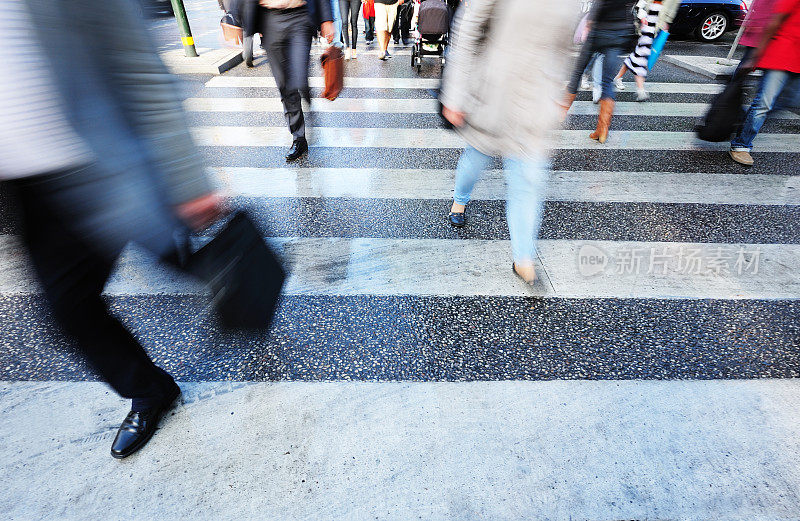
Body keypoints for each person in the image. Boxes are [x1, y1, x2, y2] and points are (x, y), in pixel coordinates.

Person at [3, 0, 225, 459]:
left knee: (179, 256)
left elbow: (138, 65)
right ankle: (150, 390)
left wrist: (188, 179)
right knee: (69, 310)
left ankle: (242, 279)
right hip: (27, 185)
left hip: (104, 163)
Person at [441, 0, 576, 285]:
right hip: (492, 93)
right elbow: (466, 29)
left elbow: (565, 46)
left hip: (535, 99)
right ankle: (459, 201)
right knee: (476, 158)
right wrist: (454, 93)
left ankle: (523, 257)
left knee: (528, 179)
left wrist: (560, 91)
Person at [244, 0, 335, 161]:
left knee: (299, 79)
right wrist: (233, 18)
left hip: (300, 16)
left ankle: (308, 102)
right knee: (285, 86)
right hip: (270, 19)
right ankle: (298, 138)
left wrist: (326, 19)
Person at [730, 0, 800, 166]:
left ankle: (745, 121)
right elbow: (775, 20)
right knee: (764, 103)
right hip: (782, 53)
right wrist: (756, 55)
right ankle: (741, 144)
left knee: (787, 101)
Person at [562, 0, 636, 143]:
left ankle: (561, 110)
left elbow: (600, 3)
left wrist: (589, 22)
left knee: (578, 71)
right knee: (607, 81)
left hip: (599, 32)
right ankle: (602, 129)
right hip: (619, 34)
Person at [613, 0, 679, 101]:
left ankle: (618, 78)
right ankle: (640, 90)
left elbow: (671, 9)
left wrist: (666, 24)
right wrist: (642, 17)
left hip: (655, 29)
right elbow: (640, 5)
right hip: (645, 28)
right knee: (641, 58)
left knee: (635, 56)